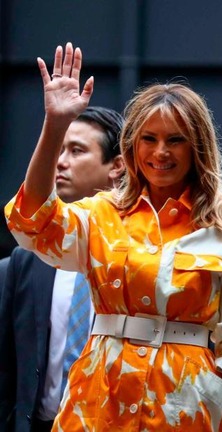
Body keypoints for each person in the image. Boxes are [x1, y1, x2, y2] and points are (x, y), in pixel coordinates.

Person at [4, 42, 222, 431]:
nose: (161, 152)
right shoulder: (100, 213)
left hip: (182, 408)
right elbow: (31, 222)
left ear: (197, 148)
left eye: (175, 140)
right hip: (97, 403)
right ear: (130, 146)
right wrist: (55, 125)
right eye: (149, 139)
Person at [0, 105, 125, 432]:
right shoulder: (27, 258)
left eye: (77, 150)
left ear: (117, 167)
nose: (60, 161)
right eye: (59, 149)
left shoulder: (138, 256)